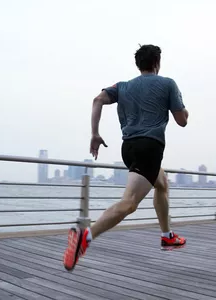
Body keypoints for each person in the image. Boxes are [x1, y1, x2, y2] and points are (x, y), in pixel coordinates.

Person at [63, 44, 189, 271]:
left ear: (138, 64)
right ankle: (85, 237)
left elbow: (97, 100)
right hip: (149, 147)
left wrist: (94, 134)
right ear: (157, 63)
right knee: (129, 203)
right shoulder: (167, 84)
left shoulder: (123, 87)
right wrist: (183, 109)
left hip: (129, 148)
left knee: (162, 183)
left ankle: (167, 236)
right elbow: (182, 120)